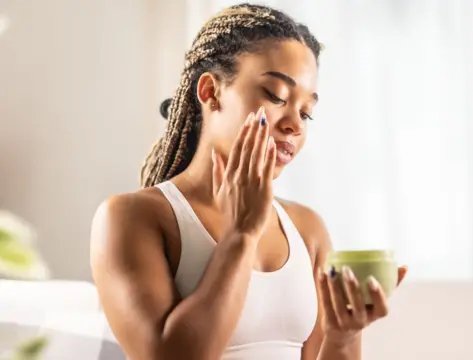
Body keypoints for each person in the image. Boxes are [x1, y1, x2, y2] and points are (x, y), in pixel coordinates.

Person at [90, 3, 407, 360]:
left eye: (306, 112)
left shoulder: (307, 229)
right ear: (210, 91)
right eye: (275, 96)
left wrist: (345, 336)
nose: (295, 125)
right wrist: (242, 233)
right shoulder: (132, 217)